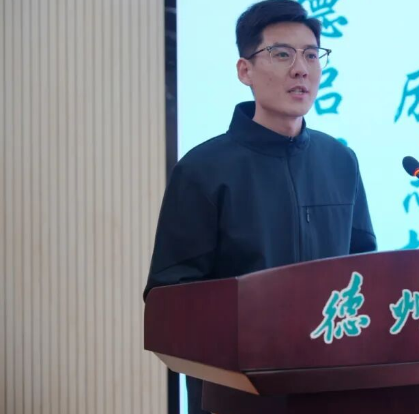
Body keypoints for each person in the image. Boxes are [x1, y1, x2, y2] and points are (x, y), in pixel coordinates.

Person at [142, 1, 377, 412]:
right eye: (282, 54)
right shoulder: (203, 169)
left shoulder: (340, 161)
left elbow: (365, 272)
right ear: (244, 70)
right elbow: (170, 299)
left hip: (333, 391)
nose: (301, 69)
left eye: (311, 55)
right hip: (238, 396)